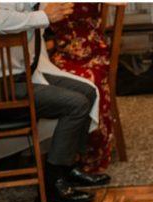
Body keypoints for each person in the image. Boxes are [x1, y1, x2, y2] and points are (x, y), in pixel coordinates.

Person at [0, 3, 111, 202]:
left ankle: (68, 167)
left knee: (87, 91)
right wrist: (42, 16)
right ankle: (53, 181)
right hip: (1, 85)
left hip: (24, 75)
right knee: (76, 104)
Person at [49, 2, 118, 174]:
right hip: (60, 49)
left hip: (90, 49)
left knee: (87, 83)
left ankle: (89, 151)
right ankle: (59, 153)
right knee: (47, 80)